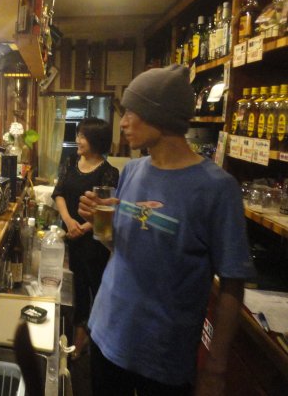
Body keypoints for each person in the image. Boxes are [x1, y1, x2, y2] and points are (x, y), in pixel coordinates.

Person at [78, 64, 255, 396]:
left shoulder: (217, 188)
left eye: (132, 112)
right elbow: (121, 249)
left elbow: (233, 283)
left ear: (161, 116)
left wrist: (215, 369)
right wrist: (101, 227)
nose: (124, 122)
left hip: (162, 355)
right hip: (106, 332)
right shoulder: (132, 171)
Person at [51, 118, 119, 361]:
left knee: (96, 286)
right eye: (79, 135)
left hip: (95, 241)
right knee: (77, 286)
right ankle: (80, 333)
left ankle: (96, 336)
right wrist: (69, 221)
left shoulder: (109, 172)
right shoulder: (71, 162)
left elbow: (107, 211)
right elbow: (59, 193)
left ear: (96, 141)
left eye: (82, 136)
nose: (78, 140)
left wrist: (83, 227)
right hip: (71, 235)